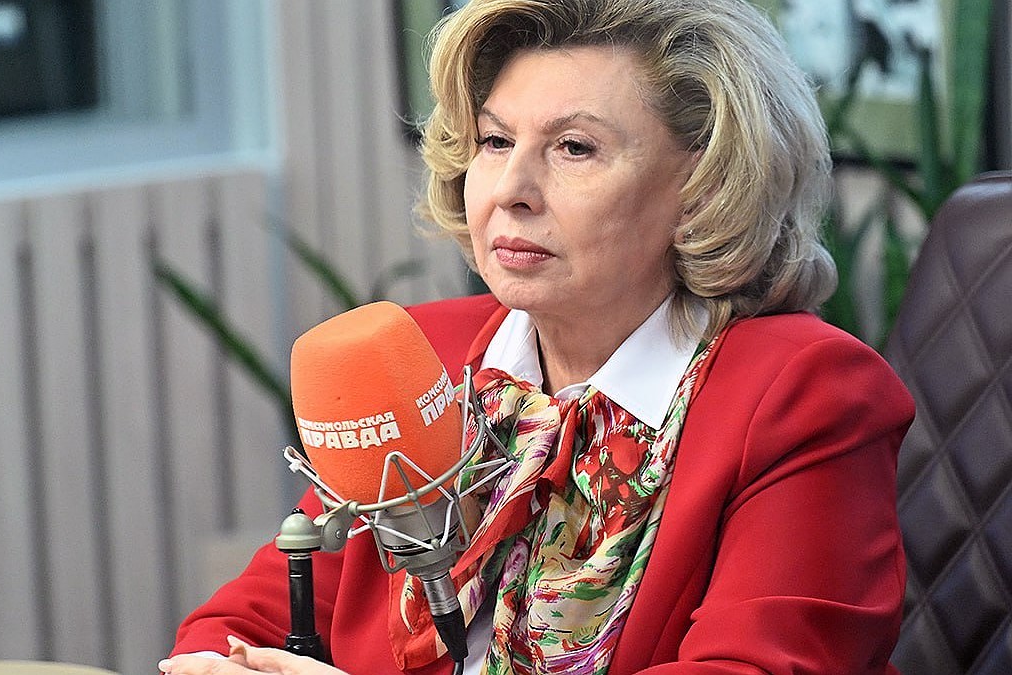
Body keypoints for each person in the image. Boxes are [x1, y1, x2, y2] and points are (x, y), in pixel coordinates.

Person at [161, 0, 914, 673]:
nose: (511, 190)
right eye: (495, 141)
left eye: (574, 148)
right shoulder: (421, 355)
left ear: (703, 188)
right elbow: (248, 619)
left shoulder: (805, 395)